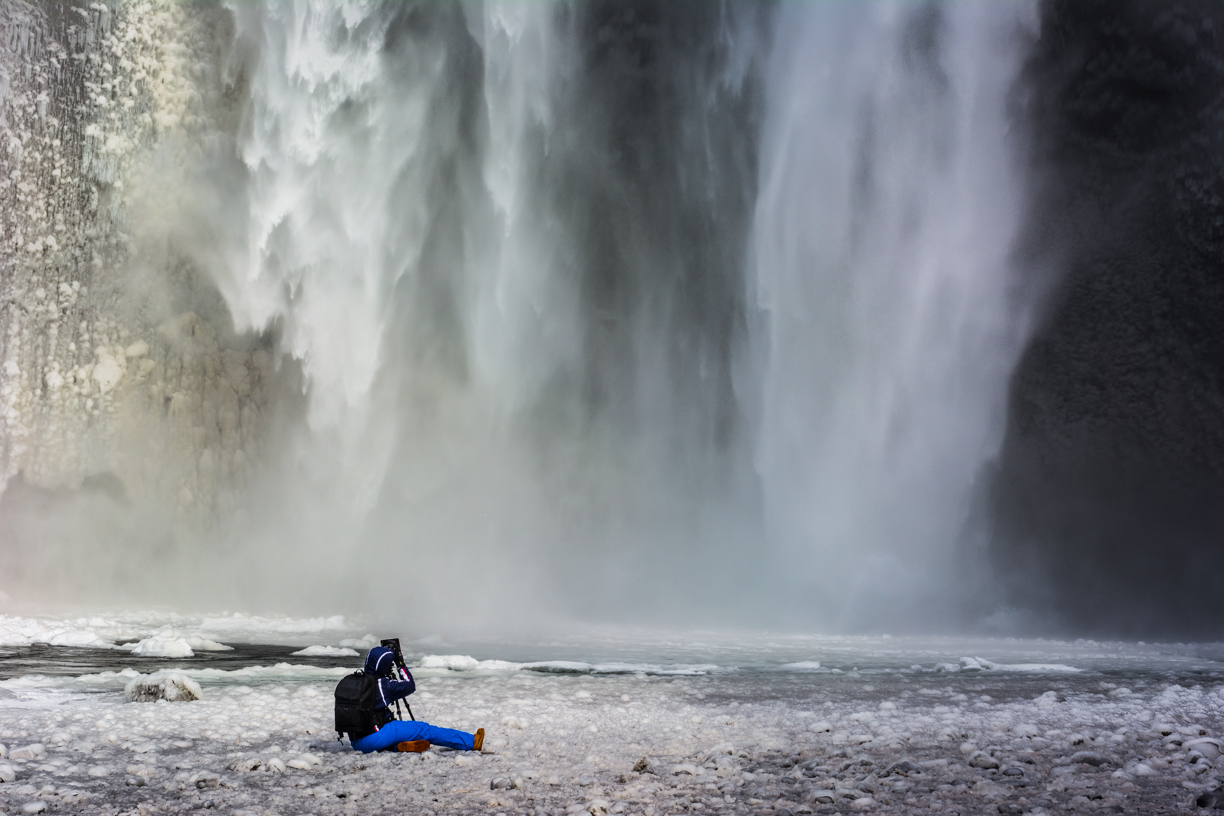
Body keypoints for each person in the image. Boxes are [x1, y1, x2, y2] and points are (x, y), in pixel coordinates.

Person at [347, 646, 485, 754]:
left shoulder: (353, 682)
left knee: (390, 728)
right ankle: (472, 742)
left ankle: (399, 747)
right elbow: (409, 685)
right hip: (375, 737)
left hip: (356, 742)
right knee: (425, 729)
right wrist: (401, 665)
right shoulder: (382, 685)